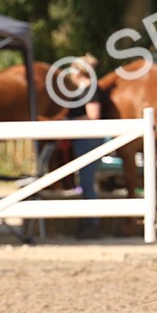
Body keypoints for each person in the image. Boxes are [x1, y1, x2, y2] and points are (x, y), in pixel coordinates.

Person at [64, 56, 108, 239]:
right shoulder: (84, 89)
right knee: (85, 182)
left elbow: (93, 115)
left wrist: (67, 121)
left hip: (88, 140)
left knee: (87, 183)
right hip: (83, 140)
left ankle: (92, 222)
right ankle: (90, 220)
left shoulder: (89, 89)